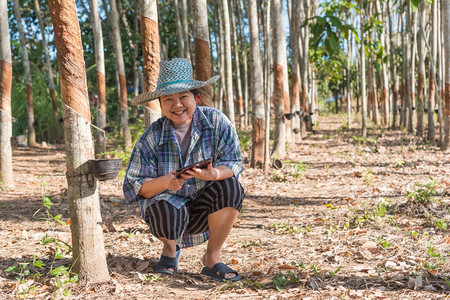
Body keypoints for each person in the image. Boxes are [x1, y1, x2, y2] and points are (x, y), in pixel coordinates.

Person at [123, 58, 244, 282]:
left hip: (206, 209)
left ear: (195, 97)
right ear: (160, 103)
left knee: (232, 187)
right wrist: (166, 183)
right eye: (169, 99)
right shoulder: (151, 136)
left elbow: (234, 161)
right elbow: (136, 187)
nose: (177, 105)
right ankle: (169, 251)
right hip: (169, 211)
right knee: (161, 207)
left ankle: (211, 258)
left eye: (183, 97)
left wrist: (214, 174)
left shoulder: (216, 121)